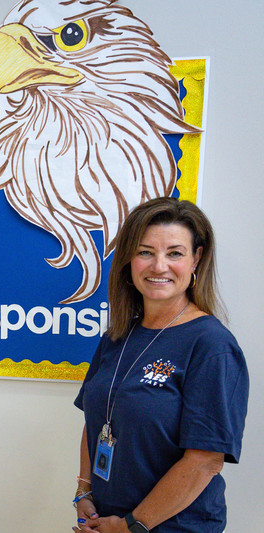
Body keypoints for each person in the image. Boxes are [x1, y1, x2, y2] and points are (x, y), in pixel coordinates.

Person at [73, 197, 248, 533]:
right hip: (107, 520)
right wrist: (84, 492)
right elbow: (96, 422)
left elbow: (204, 462)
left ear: (196, 258)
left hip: (173, 526)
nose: (158, 266)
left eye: (175, 253)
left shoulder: (211, 344)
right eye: (145, 252)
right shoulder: (117, 336)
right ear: (129, 260)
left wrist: (132, 525)